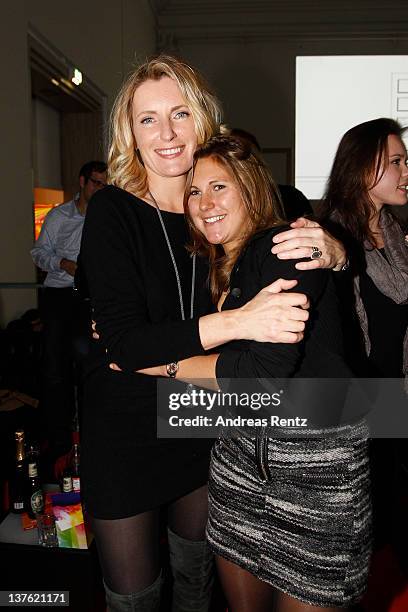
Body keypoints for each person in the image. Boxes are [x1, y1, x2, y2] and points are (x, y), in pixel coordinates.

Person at [80, 55, 346, 612]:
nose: (167, 133)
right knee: (135, 599)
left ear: (203, 118)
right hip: (126, 429)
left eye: (179, 113)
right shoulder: (113, 211)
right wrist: (238, 322)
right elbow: (125, 346)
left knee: (197, 583)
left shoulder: (243, 201)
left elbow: (316, 238)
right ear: (129, 132)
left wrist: (336, 250)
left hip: (206, 419)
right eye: (148, 119)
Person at [133, 134, 371, 611]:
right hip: (238, 464)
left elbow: (262, 375)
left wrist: (165, 365)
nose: (205, 203)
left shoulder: (287, 246)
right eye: (195, 192)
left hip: (315, 474)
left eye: (219, 186)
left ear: (251, 188)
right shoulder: (211, 268)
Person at [318, 118, 408, 559]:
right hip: (359, 408)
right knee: (362, 536)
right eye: (396, 161)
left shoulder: (396, 235)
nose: (406, 170)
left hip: (399, 397)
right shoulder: (332, 240)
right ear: (362, 167)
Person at [31, 161, 107, 463]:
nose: (99, 189)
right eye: (95, 183)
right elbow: (38, 253)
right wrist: (64, 263)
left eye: (104, 184)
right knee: (55, 370)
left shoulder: (105, 216)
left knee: (89, 367)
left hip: (90, 299)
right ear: (82, 182)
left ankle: (90, 438)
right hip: (60, 296)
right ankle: (59, 439)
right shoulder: (59, 216)